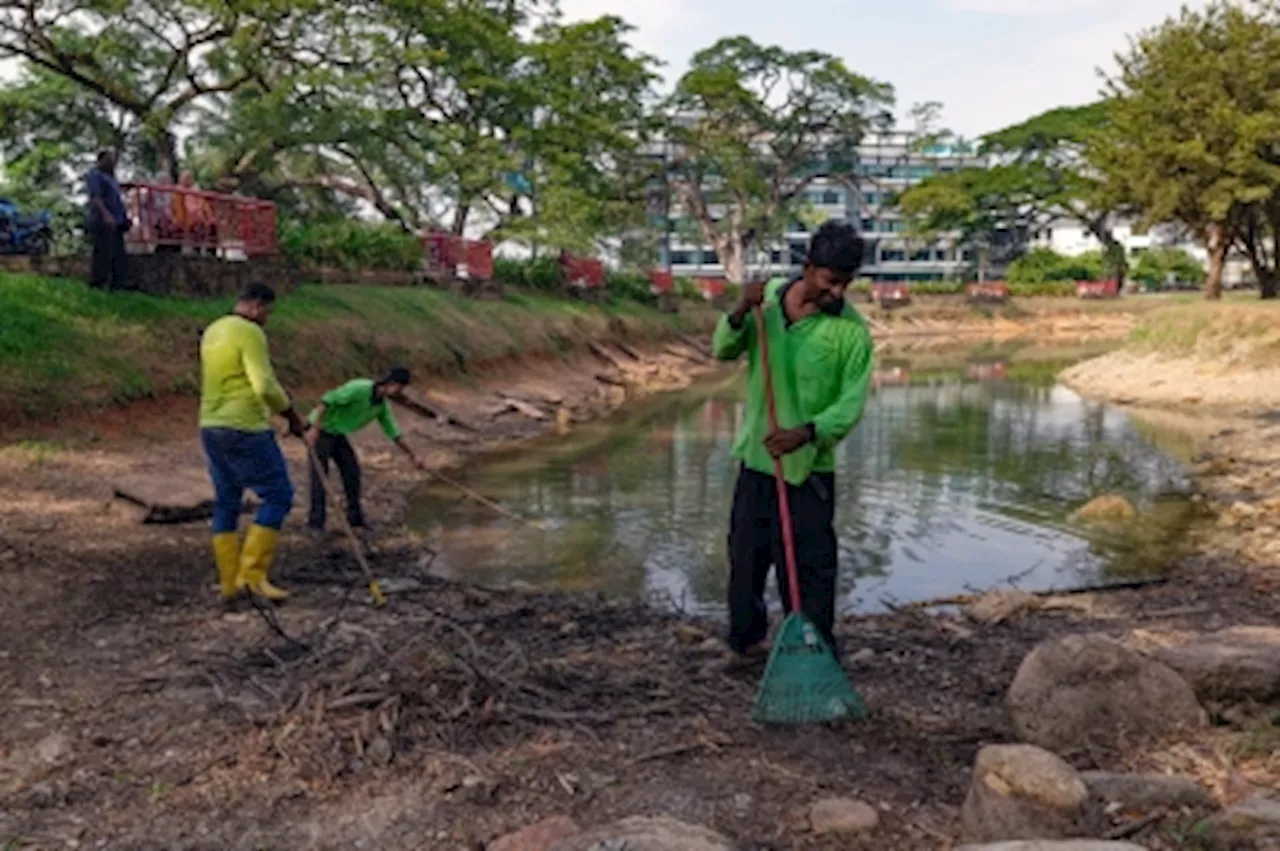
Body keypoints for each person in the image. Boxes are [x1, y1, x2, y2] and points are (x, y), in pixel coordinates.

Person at [711, 220, 874, 661]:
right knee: (745, 561)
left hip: (809, 471)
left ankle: (814, 648)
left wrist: (806, 434)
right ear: (807, 268)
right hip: (756, 459)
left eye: (846, 284)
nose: (838, 292)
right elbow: (722, 350)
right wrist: (740, 311)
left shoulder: (851, 333)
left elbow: (850, 404)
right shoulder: (765, 304)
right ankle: (745, 644)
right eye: (830, 281)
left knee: (808, 570)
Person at [200, 283, 306, 604]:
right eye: (267, 313)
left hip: (210, 424)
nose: (267, 320)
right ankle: (253, 576)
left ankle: (229, 583)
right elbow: (262, 384)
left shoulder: (213, 330)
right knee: (279, 495)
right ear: (257, 306)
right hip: (245, 426)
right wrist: (290, 413)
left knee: (226, 501)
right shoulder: (250, 332)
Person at [304, 369, 426, 535]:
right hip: (321, 430)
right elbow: (326, 400)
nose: (400, 392)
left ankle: (355, 520)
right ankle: (315, 524)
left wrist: (413, 456)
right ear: (390, 383)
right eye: (400, 388)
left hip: (338, 433)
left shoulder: (382, 405)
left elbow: (393, 433)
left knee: (352, 472)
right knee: (320, 477)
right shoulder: (360, 388)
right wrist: (314, 429)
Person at [85, 150, 129, 290]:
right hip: (102, 220)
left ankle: (117, 284)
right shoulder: (95, 175)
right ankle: (98, 282)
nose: (112, 162)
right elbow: (96, 198)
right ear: (101, 159)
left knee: (117, 253)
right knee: (102, 252)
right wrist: (106, 215)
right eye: (109, 159)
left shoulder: (111, 178)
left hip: (117, 220)